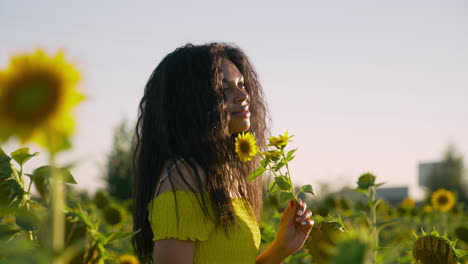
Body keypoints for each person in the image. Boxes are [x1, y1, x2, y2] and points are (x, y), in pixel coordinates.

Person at [132, 42, 314, 264]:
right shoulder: (185, 176)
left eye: (241, 84)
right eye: (223, 88)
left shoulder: (231, 175)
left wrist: (280, 248)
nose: (243, 95)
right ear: (191, 101)